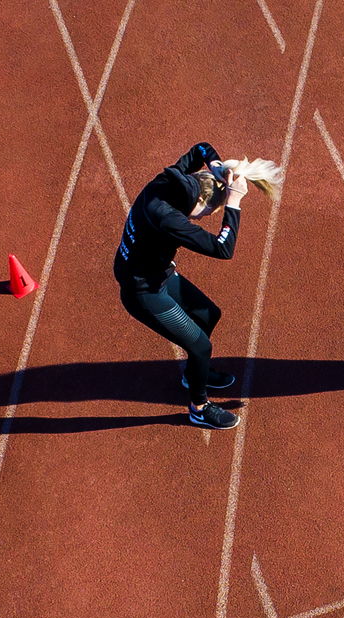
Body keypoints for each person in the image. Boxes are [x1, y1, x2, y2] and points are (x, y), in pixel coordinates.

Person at [114, 144, 276, 431]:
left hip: (158, 274)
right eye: (207, 212)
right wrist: (234, 202)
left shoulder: (170, 181)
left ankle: (193, 375)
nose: (204, 217)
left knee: (208, 315)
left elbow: (202, 148)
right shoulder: (169, 219)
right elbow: (223, 249)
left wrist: (215, 166)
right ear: (199, 200)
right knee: (202, 346)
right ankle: (198, 409)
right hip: (143, 292)